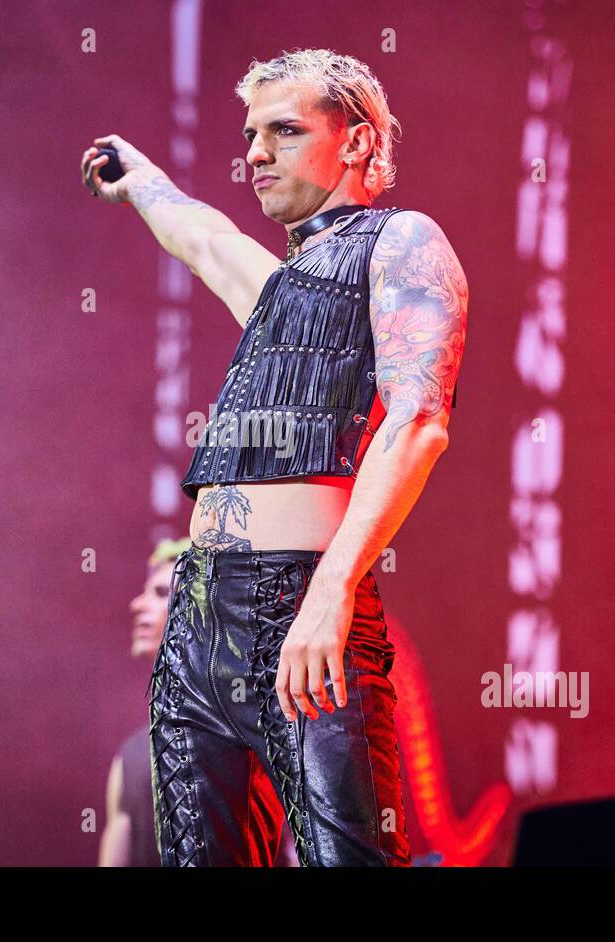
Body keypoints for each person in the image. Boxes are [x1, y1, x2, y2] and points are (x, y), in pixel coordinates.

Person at [80, 48, 467, 867]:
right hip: (197, 621)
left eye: (284, 132)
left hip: (301, 598)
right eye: (251, 134)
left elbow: (420, 421)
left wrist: (331, 592)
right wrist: (141, 177)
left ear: (359, 143)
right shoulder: (280, 290)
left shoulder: (398, 241)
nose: (255, 153)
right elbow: (206, 239)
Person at [98, 538, 298, 866]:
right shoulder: (131, 758)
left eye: (161, 593)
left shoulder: (260, 732)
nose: (137, 604)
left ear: (199, 608)